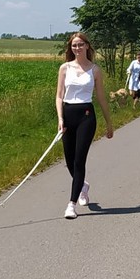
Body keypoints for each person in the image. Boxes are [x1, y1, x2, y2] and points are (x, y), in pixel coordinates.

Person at [56, 32, 114, 219]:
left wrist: (109, 123)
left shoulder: (95, 70)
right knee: (69, 160)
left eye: (80, 44)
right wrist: (60, 118)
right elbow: (59, 96)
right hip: (68, 114)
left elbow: (101, 98)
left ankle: (71, 204)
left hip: (86, 116)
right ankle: (83, 185)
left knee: (79, 160)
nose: (77, 48)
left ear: (87, 46)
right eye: (74, 45)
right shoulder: (65, 68)